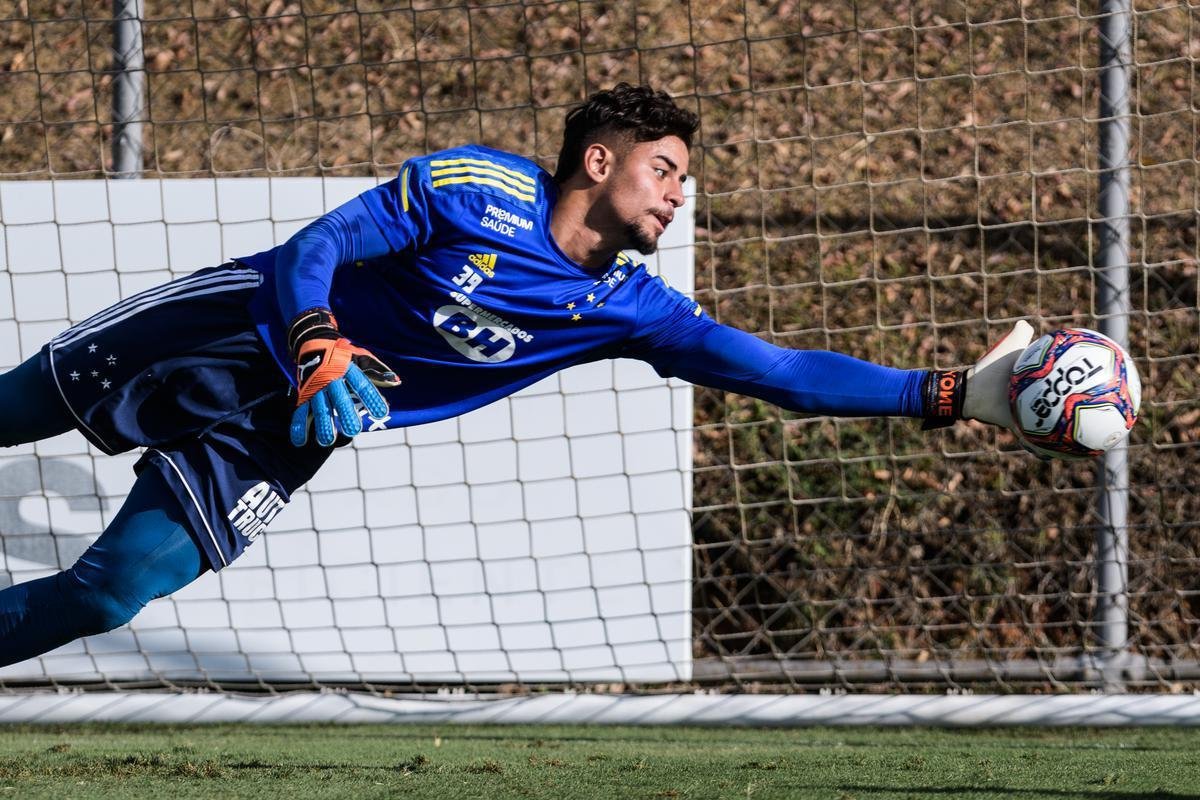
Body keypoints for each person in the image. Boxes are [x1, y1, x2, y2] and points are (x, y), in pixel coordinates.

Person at [0, 84, 1032, 667]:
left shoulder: (630, 306)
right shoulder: (476, 186)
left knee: (108, 593)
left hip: (279, 430)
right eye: (664, 167)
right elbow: (316, 243)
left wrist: (945, 392)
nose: (680, 193)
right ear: (597, 160)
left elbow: (784, 371)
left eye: (686, 178)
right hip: (233, 328)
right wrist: (316, 337)